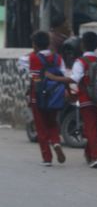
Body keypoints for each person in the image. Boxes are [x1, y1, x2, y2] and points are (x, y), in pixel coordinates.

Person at [44, 32, 97, 168]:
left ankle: (96, 156)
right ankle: (89, 154)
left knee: (90, 128)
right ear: (96, 45)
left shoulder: (80, 62)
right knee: (95, 127)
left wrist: (54, 78)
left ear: (82, 45)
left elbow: (73, 79)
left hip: (86, 99)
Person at [22, 31, 66, 166]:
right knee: (52, 122)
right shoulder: (58, 58)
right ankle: (56, 142)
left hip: (38, 97)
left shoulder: (32, 59)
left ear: (35, 45)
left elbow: (31, 74)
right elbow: (63, 74)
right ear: (49, 43)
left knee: (41, 127)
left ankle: (47, 158)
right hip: (55, 95)